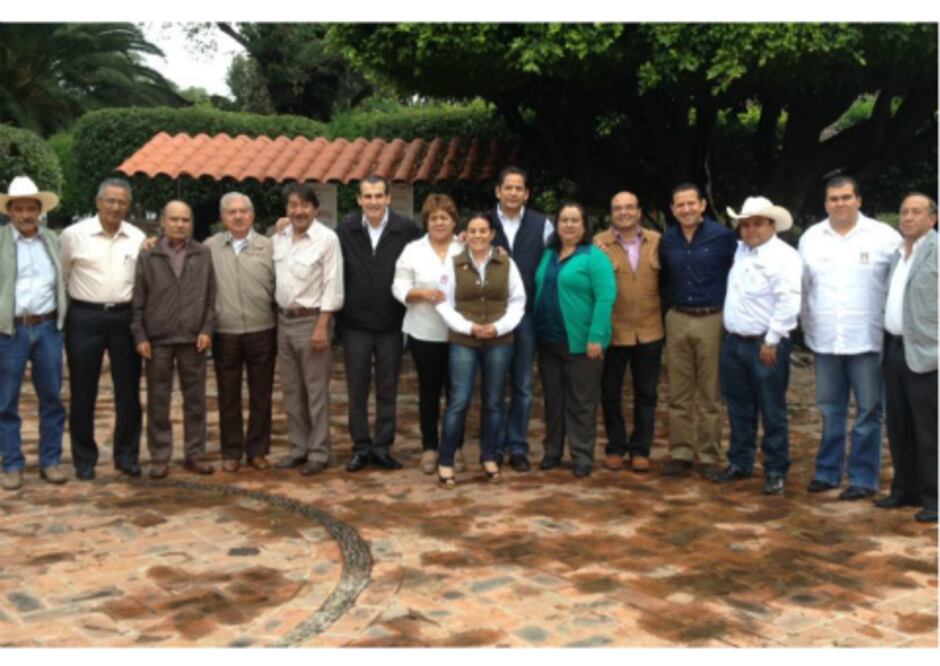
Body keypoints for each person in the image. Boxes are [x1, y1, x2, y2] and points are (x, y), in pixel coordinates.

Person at [799, 176, 901, 500]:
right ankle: (828, 472)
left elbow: (900, 284)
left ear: (858, 199)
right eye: (833, 199)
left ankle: (862, 477)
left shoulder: (885, 238)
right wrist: (805, 326)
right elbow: (803, 288)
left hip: (868, 340)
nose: (839, 204)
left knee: (870, 410)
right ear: (825, 203)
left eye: (846, 197)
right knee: (830, 409)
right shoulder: (811, 238)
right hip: (826, 340)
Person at [59, 177, 146, 480]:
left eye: (122, 202)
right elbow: (64, 273)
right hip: (85, 317)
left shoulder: (137, 237)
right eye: (110, 200)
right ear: (98, 202)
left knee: (129, 391)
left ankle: (127, 455)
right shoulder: (73, 235)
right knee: (83, 391)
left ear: (128, 205)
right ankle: (84, 459)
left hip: (124, 318)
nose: (115, 206)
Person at [715, 197, 802, 495]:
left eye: (757, 223)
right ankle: (740, 462)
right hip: (735, 342)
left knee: (772, 409)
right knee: (738, 407)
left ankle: (776, 468)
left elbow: (788, 301)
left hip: (765, 344)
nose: (751, 229)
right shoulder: (741, 252)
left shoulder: (784, 256)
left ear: (771, 225)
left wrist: (772, 340)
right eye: (746, 224)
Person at [435, 212, 526, 487]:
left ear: (491, 234)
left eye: (482, 231)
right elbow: (443, 303)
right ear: (465, 235)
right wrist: (469, 327)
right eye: (472, 231)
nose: (477, 236)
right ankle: (446, 460)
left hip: (499, 341)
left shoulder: (506, 263)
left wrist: (498, 327)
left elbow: (518, 301)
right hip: (464, 341)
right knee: (459, 401)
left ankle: (489, 456)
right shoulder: (454, 264)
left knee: (494, 402)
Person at [337, 175, 421, 472]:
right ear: (359, 200)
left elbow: (432, 248)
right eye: (367, 196)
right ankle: (360, 447)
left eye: (378, 196)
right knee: (357, 389)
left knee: (388, 388)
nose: (372, 201)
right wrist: (283, 228)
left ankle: (383, 447)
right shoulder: (345, 229)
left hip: (391, 324)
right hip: (355, 325)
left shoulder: (407, 230)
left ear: (388, 199)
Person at [131, 201, 216, 478]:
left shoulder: (203, 253)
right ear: (163, 222)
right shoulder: (149, 255)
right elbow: (138, 300)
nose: (180, 224)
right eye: (174, 219)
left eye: (185, 220)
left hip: (194, 339)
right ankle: (160, 455)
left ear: (191, 223)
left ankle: (195, 453)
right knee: (158, 400)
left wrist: (207, 329)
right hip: (158, 340)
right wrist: (140, 334)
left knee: (195, 400)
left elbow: (212, 297)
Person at [659, 183, 737, 478]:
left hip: (711, 318)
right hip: (677, 317)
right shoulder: (667, 240)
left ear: (702, 205)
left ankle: (707, 455)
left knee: (709, 392)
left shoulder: (723, 237)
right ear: (673, 209)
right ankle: (680, 452)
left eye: (691, 203)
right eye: (680, 205)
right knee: (678, 392)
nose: (686, 209)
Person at [534, 203, 616, 477]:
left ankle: (582, 455)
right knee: (553, 400)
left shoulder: (594, 257)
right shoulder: (548, 254)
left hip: (582, 343)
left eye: (574, 220)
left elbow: (606, 297)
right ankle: (553, 451)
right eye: (563, 220)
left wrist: (596, 336)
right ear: (556, 226)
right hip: (548, 341)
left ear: (584, 226)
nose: (568, 225)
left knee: (581, 401)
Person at [0, 176, 68, 490]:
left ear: (39, 211)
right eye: (19, 209)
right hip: (10, 331)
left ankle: (50, 461)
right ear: (9, 212)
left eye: (31, 208)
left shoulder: (53, 240)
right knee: (6, 402)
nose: (26, 214)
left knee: (52, 398)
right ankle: (12, 464)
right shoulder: (0, 241)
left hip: (48, 328)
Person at [272, 183, 344, 476]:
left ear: (315, 209)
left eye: (304, 205)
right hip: (283, 322)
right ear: (286, 210)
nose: (298, 211)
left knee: (316, 392)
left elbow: (333, 283)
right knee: (291, 391)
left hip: (312, 321)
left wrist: (322, 325)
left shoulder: (327, 239)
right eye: (293, 205)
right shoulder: (279, 237)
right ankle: (298, 448)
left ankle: (319, 451)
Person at [392, 194, 465, 474]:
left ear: (454, 221)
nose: (438, 223)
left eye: (444, 217)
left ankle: (456, 446)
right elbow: (398, 286)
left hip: (459, 332)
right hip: (424, 331)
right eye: (433, 218)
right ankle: (430, 448)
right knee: (429, 392)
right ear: (426, 222)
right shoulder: (413, 250)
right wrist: (420, 293)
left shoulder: (465, 248)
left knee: (457, 393)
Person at [205, 192, 277, 473]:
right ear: (223, 217)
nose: (238, 216)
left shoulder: (269, 246)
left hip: (262, 329)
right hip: (226, 332)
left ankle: (257, 450)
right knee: (228, 394)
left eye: (243, 211)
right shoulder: (209, 247)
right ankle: (231, 451)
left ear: (252, 215)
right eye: (231, 212)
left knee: (262, 394)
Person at [876, 193, 937, 522]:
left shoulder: (937, 252)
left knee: (929, 431)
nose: (909, 217)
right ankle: (904, 490)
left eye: (917, 212)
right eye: (904, 211)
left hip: (928, 353)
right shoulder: (897, 254)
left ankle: (934, 497)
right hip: (895, 349)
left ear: (933, 219)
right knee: (899, 426)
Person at [489, 166, 554, 472]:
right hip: (492, 316)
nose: (513, 193)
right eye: (508, 187)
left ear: (527, 193)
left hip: (527, 316)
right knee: (494, 384)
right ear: (498, 191)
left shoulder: (542, 225)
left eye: (519, 188)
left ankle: (517, 446)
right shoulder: (481, 223)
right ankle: (494, 445)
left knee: (524, 385)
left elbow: (562, 253)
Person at [595, 191, 664, 473]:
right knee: (610, 392)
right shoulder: (598, 244)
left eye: (629, 207)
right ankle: (615, 445)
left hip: (650, 329)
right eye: (618, 208)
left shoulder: (658, 242)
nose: (624, 212)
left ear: (638, 211)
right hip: (614, 330)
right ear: (612, 213)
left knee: (646, 393)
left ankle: (640, 449)